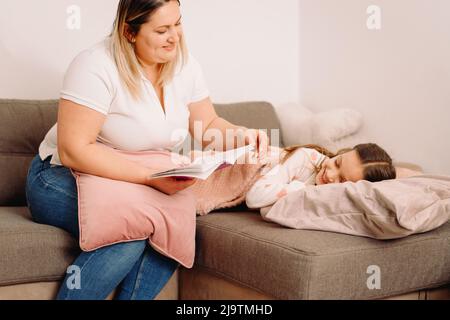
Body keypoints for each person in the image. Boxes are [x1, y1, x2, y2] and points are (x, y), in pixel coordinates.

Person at [25, 0, 268, 300]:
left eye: (178, 23)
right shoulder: (94, 65)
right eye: (162, 30)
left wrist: (242, 135)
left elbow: (207, 125)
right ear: (129, 32)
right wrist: (150, 176)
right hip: (60, 175)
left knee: (176, 226)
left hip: (128, 179)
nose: (175, 36)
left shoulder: (185, 65)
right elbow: (75, 150)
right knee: (127, 231)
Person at [246, 143, 396, 214]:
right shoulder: (305, 159)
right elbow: (254, 197)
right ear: (343, 152)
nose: (330, 176)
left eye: (342, 180)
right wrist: (298, 188)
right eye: (337, 162)